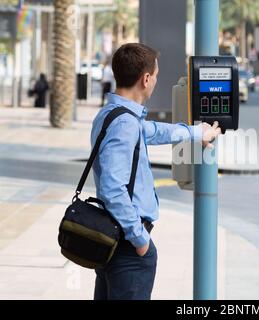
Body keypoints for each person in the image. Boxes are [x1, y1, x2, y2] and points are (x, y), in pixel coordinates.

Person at [91, 43, 221, 300]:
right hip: (127, 247)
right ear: (146, 78)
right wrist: (140, 241)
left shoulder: (111, 115)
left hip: (113, 241)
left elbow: (153, 131)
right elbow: (112, 188)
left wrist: (196, 132)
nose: (155, 83)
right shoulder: (125, 124)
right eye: (157, 76)